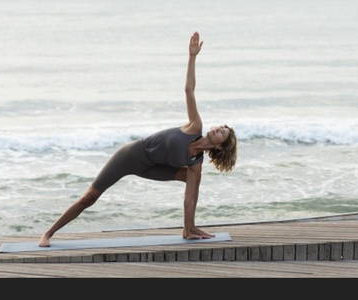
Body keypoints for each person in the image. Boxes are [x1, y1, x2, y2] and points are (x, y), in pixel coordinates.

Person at [38, 32, 237, 246]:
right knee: (90, 197)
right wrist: (192, 57)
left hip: (151, 167)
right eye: (220, 126)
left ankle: (188, 229)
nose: (218, 128)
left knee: (193, 182)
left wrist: (190, 218)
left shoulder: (195, 164)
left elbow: (189, 199)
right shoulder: (194, 126)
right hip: (131, 156)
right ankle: (48, 234)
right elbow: (189, 90)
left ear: (220, 146)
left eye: (222, 133)